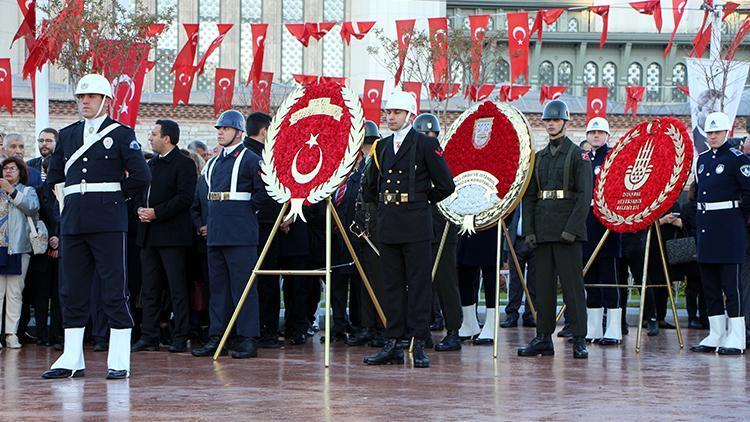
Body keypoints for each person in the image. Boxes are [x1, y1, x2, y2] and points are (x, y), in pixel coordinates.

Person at [42, 73, 151, 379]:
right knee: (71, 289)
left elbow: (142, 177)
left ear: (105, 101)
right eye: (81, 97)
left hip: (108, 222)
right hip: (74, 221)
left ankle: (118, 359)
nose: (85, 102)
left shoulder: (121, 134)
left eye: (90, 97)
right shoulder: (68, 134)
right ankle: (71, 358)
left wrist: (114, 200)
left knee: (114, 289)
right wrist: (65, 210)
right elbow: (54, 180)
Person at [362, 91, 455, 368]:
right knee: (390, 285)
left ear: (410, 116)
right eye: (389, 112)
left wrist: (421, 200)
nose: (391, 117)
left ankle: (418, 342)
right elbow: (370, 186)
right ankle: (392, 342)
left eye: (397, 113)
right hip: (389, 221)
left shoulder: (425, 145)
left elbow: (446, 185)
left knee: (418, 285)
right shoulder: (380, 147)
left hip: (415, 222)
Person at [190, 110, 268, 359]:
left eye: (225, 128)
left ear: (238, 131)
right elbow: (202, 196)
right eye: (219, 129)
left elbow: (263, 194)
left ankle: (247, 338)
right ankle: (218, 336)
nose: (220, 132)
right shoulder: (213, 163)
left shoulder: (251, 159)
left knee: (243, 288)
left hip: (241, 233)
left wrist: (244, 216)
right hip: (216, 232)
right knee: (219, 288)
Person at [518, 99, 592, 359]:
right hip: (543, 229)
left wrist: (571, 230)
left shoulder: (578, 155)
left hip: (567, 232)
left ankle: (579, 337)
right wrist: (529, 230)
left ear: (565, 122)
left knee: (572, 287)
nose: (550, 124)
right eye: (547, 120)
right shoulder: (538, 158)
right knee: (543, 288)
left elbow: (584, 196)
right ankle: (543, 337)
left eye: (555, 120)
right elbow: (529, 196)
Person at [131, 120, 197, 353]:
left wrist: (157, 212)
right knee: (148, 288)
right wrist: (140, 209)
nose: (150, 137)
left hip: (172, 237)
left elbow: (184, 198)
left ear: (167, 138)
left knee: (176, 288)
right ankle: (149, 335)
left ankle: (180, 335)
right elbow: (140, 192)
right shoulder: (150, 165)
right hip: (148, 236)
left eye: (154, 134)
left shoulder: (184, 164)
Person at [690, 111, 750, 355]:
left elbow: (748, 193)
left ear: (727, 132)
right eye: (710, 133)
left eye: (717, 132)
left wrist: (739, 221)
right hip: (707, 227)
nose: (713, 136)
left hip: (729, 228)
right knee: (711, 285)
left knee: (731, 285)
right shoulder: (702, 159)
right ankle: (716, 333)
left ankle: (736, 336)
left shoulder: (738, 159)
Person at [413, 112, 462, 352]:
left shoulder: (444, 157)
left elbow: (450, 188)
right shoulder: (410, 158)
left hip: (442, 226)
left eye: (431, 134)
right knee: (420, 283)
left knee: (446, 282)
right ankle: (420, 332)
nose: (427, 138)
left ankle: (453, 330)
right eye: (423, 134)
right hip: (419, 227)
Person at [242, 112, 284, 348]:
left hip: (257, 224)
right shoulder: (257, 157)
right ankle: (265, 330)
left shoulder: (248, 155)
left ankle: (256, 329)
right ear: (265, 131)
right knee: (266, 279)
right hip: (263, 224)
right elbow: (266, 193)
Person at [581, 117, 623, 345]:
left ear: (607, 136)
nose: (596, 136)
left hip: (607, 222)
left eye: (600, 133)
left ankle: (614, 328)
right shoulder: (584, 159)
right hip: (587, 222)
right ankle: (594, 327)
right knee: (590, 277)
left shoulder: (613, 158)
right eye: (592, 132)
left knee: (609, 277)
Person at [346, 120, 386, 348]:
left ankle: (380, 326)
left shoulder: (379, 162)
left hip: (376, 228)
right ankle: (367, 326)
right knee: (364, 281)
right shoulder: (362, 164)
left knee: (378, 282)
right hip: (362, 227)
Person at [24, 128, 62, 347]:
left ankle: (57, 334)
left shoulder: (68, 189)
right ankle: (41, 334)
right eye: (41, 140)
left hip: (63, 247)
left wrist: (59, 238)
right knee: (39, 291)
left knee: (59, 293)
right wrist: (49, 238)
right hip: (41, 247)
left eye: (49, 140)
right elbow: (37, 213)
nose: (44, 143)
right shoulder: (36, 185)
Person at [0, 157, 40, 349]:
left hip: (18, 248)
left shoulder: (27, 190)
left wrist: (12, 191)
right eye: (5, 169)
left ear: (20, 172)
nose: (8, 172)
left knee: (15, 293)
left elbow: (32, 209)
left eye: (12, 169)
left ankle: (11, 334)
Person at [501, 206, 537, 328]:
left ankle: (530, 314)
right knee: (515, 281)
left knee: (534, 282)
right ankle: (512, 314)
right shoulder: (515, 194)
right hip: (515, 241)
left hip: (535, 241)